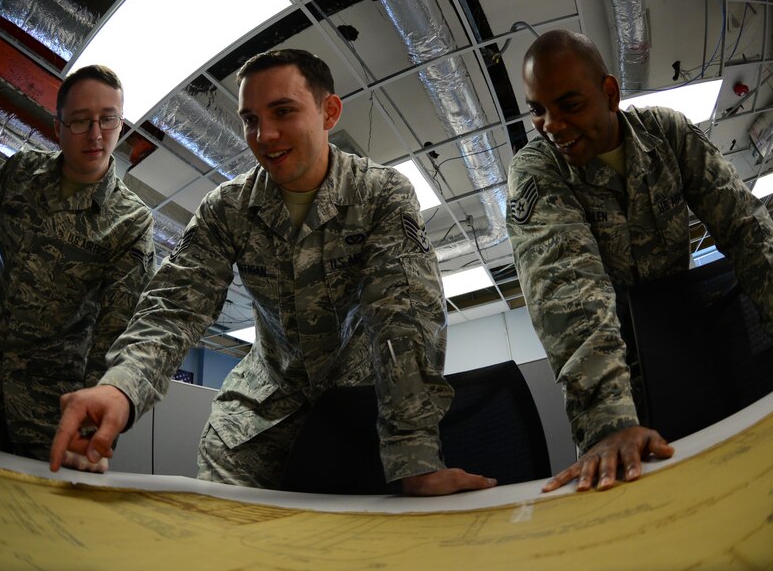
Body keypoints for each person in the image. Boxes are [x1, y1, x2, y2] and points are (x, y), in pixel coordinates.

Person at [49, 49, 496, 496]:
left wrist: (414, 457)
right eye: (250, 119)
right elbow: (174, 304)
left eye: (283, 111)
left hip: (363, 413)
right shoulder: (228, 208)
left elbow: (402, 320)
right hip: (257, 418)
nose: (265, 134)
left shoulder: (379, 194)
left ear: (329, 112)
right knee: (228, 540)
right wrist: (120, 388)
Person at [507, 29, 773, 493]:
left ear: (610, 93)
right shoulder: (537, 169)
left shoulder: (668, 134)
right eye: (537, 109)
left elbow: (747, 229)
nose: (550, 124)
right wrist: (607, 421)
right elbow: (566, 286)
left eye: (568, 105)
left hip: (689, 349)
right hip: (611, 388)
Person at [0, 65, 156, 470]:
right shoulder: (22, 173)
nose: (97, 135)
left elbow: (114, 334)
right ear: (59, 126)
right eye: (81, 121)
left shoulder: (132, 222)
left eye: (109, 119)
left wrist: (88, 430)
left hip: (50, 401)